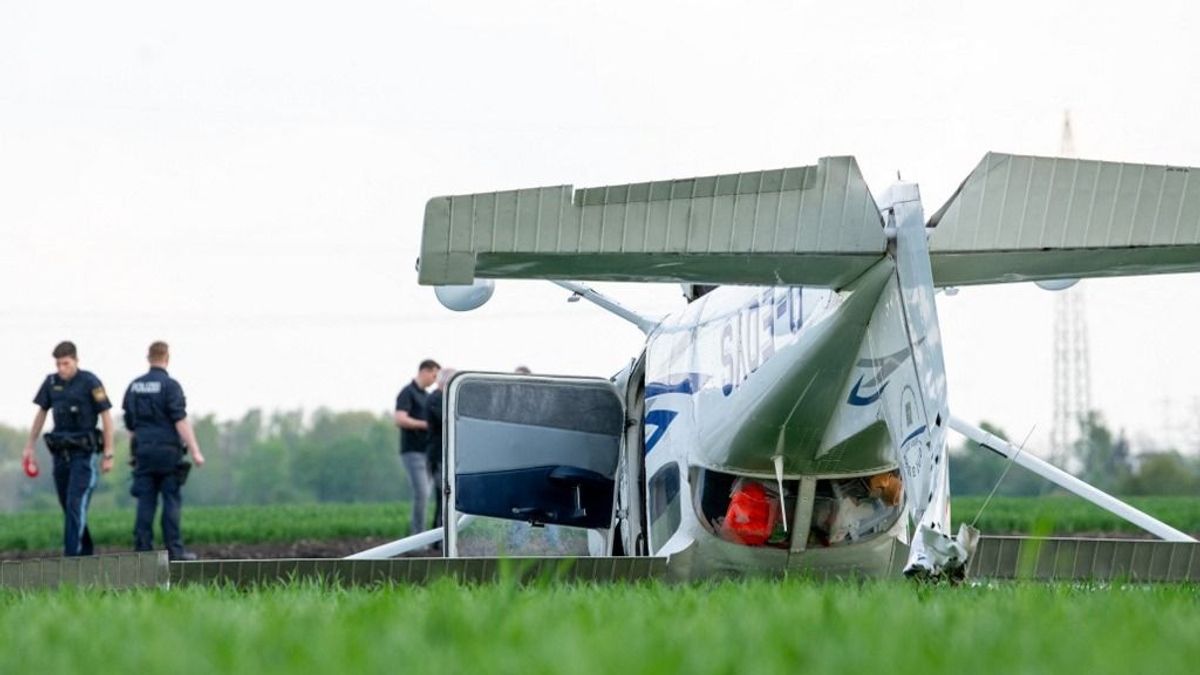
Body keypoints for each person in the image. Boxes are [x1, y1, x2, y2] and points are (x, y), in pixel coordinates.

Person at [21, 341, 115, 557]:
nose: (61, 368)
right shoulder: (51, 382)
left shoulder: (90, 381)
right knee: (69, 506)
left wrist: (109, 453)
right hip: (60, 457)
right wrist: (30, 446)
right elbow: (41, 413)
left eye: (66, 363)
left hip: (83, 456)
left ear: (75, 360)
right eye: (58, 364)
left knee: (75, 504)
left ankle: (71, 559)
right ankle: (86, 553)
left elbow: (106, 417)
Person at [121, 341, 206, 561]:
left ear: (148, 358)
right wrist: (195, 451)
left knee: (145, 502)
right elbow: (180, 421)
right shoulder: (171, 386)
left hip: (144, 453)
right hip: (168, 453)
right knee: (171, 500)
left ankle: (142, 551)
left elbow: (130, 426)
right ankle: (175, 552)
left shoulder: (134, 387)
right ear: (167, 358)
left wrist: (135, 452)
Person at [394, 359, 440, 534]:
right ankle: (417, 537)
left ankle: (427, 536)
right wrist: (425, 424)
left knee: (429, 493)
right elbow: (399, 418)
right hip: (413, 452)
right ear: (425, 371)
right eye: (434, 375)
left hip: (427, 452)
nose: (435, 379)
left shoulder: (426, 396)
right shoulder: (407, 393)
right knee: (422, 494)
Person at [425, 367, 456, 530]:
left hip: (442, 456)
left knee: (443, 498)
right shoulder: (435, 399)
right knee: (443, 497)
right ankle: (439, 537)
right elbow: (447, 420)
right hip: (437, 457)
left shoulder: (439, 399)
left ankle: (440, 538)